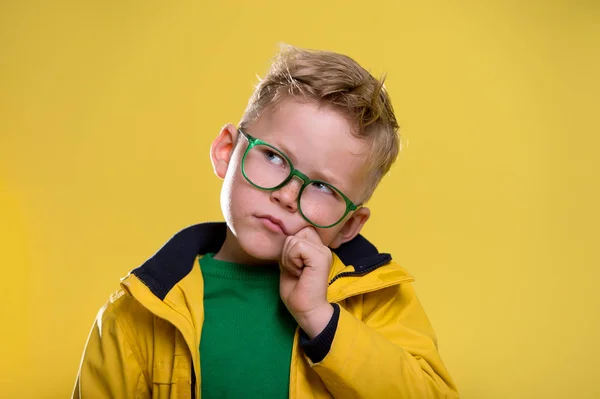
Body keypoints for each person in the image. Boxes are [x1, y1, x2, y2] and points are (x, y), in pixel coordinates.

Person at [72, 44, 459, 398]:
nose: (287, 196)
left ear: (348, 225)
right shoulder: (140, 310)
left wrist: (319, 318)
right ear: (227, 151)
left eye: (323, 187)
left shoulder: (378, 299)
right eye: (274, 157)